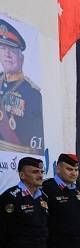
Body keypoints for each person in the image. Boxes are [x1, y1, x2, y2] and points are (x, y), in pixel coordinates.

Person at [0, 20, 44, 154]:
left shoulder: (32, 93)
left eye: (12, 50)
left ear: (22, 58)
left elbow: (35, 146)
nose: (7, 54)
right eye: (3, 48)